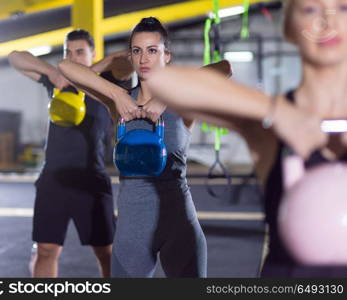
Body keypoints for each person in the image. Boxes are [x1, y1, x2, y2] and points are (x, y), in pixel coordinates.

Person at [145, 0, 347, 277]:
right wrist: (279, 112)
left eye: (344, 8)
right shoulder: (270, 124)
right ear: (289, 27)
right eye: (311, 9)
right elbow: (163, 82)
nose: (328, 20)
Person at [59, 17, 208, 278]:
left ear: (167, 56)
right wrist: (117, 94)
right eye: (137, 51)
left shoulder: (183, 101)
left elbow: (223, 69)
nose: (144, 59)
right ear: (130, 56)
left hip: (179, 226)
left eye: (153, 50)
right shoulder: (120, 104)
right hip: (132, 231)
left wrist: (164, 98)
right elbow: (65, 67)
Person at [8, 29, 135, 277]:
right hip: (53, 178)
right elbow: (15, 57)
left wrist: (91, 70)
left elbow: (129, 59)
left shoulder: (108, 81)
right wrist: (52, 71)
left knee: (106, 252)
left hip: (91, 179)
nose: (73, 57)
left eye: (80, 52)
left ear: (92, 53)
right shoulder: (57, 82)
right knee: (45, 250)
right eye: (68, 52)